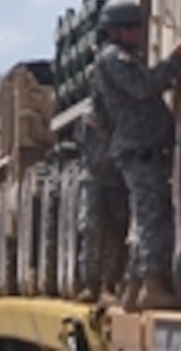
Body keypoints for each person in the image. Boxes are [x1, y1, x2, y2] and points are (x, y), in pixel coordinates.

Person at [92, 0, 181, 311]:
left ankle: (133, 289)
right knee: (152, 215)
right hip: (139, 148)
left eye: (137, 27)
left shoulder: (119, 58)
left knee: (145, 214)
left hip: (138, 146)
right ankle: (152, 284)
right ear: (112, 31)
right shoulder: (113, 58)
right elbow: (143, 86)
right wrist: (173, 61)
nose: (135, 33)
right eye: (128, 28)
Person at [73, 110, 129, 304]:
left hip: (117, 177)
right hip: (94, 178)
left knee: (116, 230)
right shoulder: (89, 113)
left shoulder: (121, 108)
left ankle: (109, 283)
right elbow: (82, 143)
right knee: (92, 228)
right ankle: (90, 283)